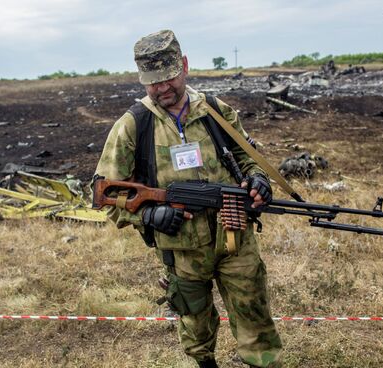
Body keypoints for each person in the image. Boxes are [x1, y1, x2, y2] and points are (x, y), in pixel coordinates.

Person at [93, 29, 282, 368]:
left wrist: (258, 178)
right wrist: (148, 217)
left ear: (184, 66)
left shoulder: (215, 110)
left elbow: (247, 156)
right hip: (181, 249)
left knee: (254, 314)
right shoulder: (133, 125)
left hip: (235, 235)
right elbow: (104, 194)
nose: (163, 88)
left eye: (168, 78)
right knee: (194, 321)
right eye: (153, 82)